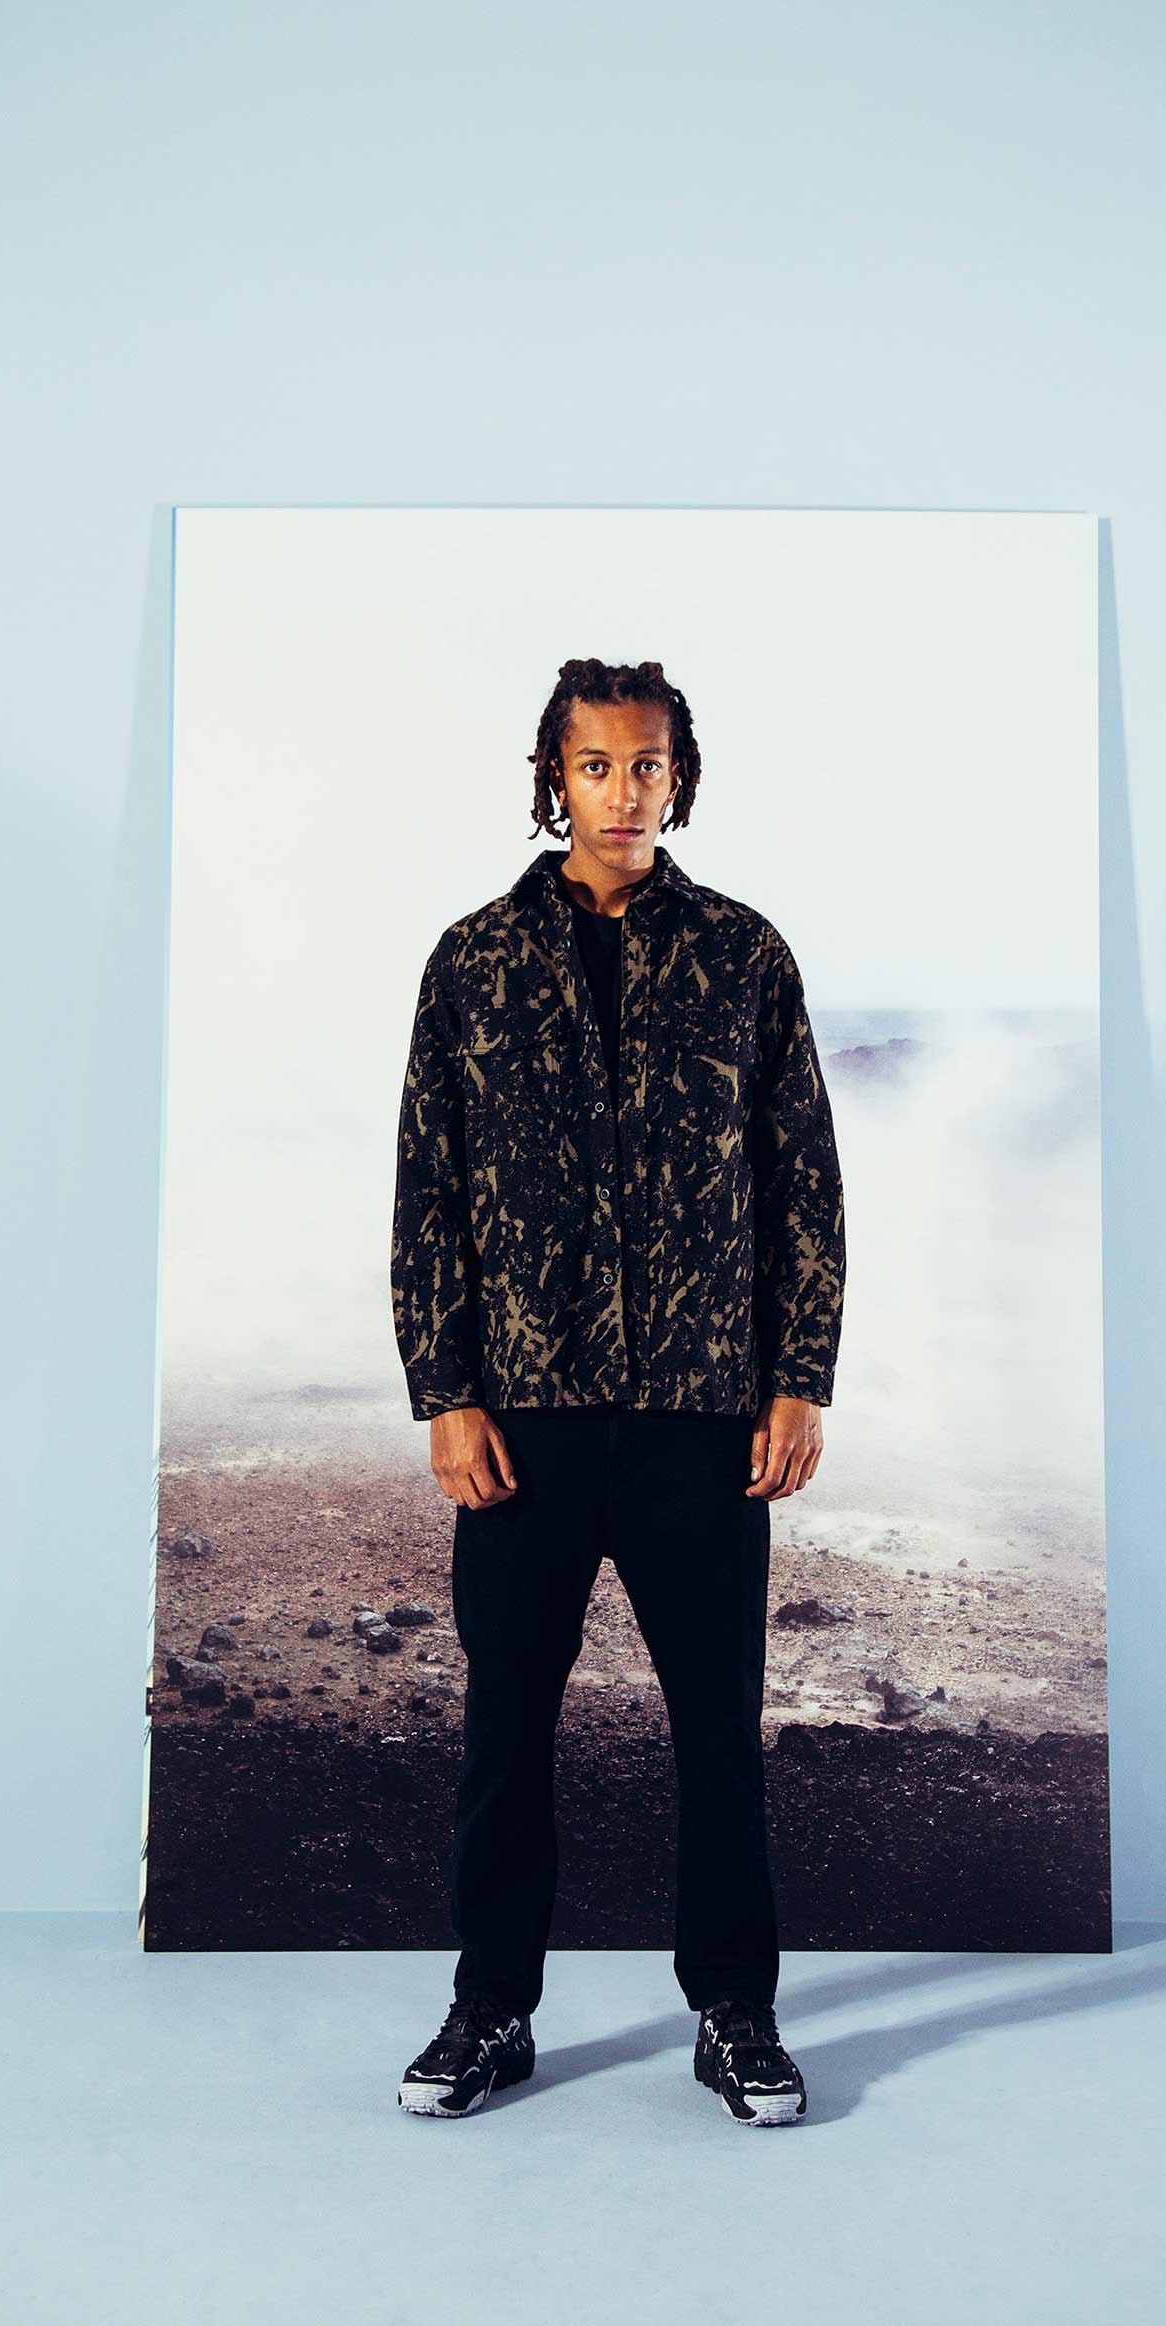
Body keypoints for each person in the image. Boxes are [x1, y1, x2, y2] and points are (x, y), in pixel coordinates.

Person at [388, 656, 846, 2125]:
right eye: (597, 765)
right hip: (523, 1418)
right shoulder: (472, 960)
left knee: (717, 1728)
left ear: (679, 779)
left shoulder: (745, 956)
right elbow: (429, 1187)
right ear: (555, 779)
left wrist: (799, 1380)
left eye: (648, 765)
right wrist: (446, 1391)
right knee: (506, 1729)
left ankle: (735, 2013)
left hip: (702, 1418)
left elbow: (804, 1182)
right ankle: (490, 2011)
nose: (625, 791)